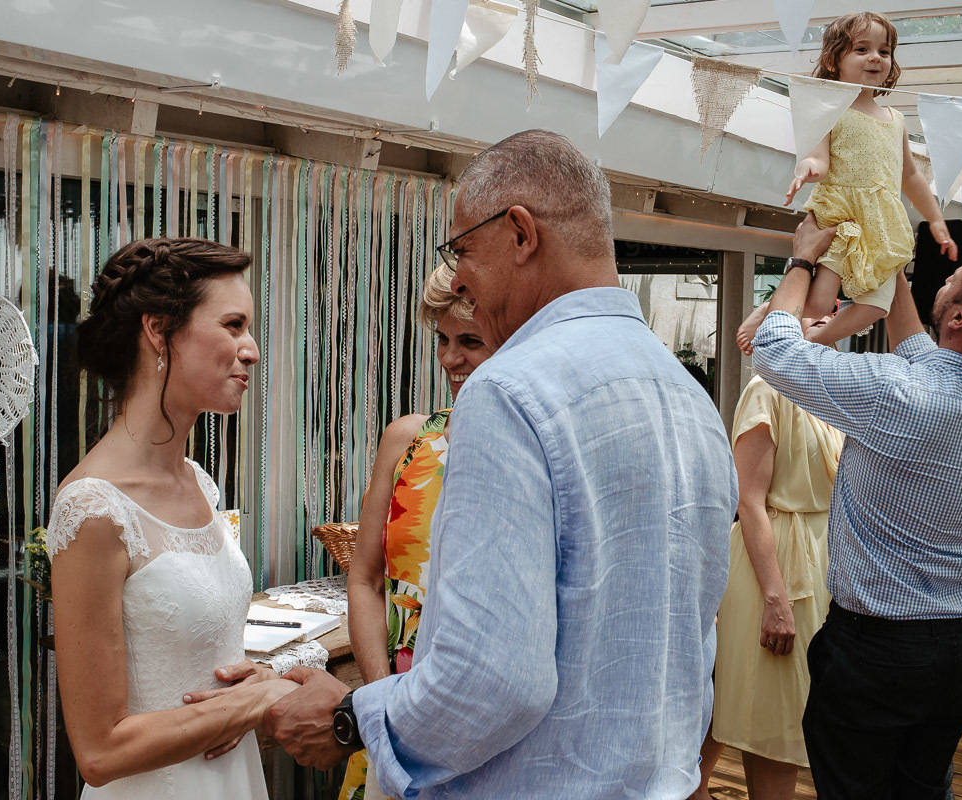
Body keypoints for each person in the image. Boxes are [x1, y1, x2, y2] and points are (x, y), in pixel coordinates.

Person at [261, 129, 736, 799]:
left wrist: (351, 720)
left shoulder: (510, 390)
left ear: (520, 233)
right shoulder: (688, 396)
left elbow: (492, 679)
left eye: (461, 250)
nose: (458, 278)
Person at [750, 214, 962, 799]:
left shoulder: (896, 391)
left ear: (960, 318)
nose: (942, 280)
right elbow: (919, 347)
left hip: (878, 651)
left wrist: (803, 259)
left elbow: (773, 350)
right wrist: (887, 262)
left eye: (954, 279)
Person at [46, 238, 296, 798]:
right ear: (158, 331)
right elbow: (99, 752)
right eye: (233, 325)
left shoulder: (199, 483)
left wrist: (256, 680)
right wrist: (254, 702)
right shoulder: (93, 508)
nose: (252, 350)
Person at [338, 265, 495, 800]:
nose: (450, 358)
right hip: (393, 711)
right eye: (442, 340)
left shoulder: (535, 447)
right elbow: (364, 579)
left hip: (480, 724)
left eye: (470, 341)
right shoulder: (408, 440)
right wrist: (382, 699)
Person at [737, 11, 956, 353]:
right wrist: (806, 170)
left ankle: (812, 342)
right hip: (842, 218)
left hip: (882, 224)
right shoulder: (831, 110)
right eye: (862, 49)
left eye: (884, 51)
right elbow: (818, 159)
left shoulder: (896, 119)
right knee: (819, 304)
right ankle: (768, 310)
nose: (875, 57)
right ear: (832, 59)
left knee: (876, 307)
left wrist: (936, 219)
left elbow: (911, 176)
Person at [704, 323, 844, 800]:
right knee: (775, 714)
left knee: (767, 703)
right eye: (812, 312)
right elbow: (749, 501)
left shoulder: (831, 389)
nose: (826, 319)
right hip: (774, 564)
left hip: (821, 561)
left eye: (831, 309)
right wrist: (775, 598)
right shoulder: (766, 390)